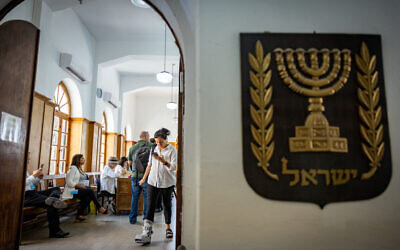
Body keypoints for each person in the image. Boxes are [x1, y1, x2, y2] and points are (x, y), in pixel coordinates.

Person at [135, 128, 177, 245]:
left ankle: (168, 227)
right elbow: (149, 165)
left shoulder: (172, 150)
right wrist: (143, 179)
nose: (158, 144)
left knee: (166, 205)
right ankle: (146, 232)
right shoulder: (154, 148)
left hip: (167, 182)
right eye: (157, 142)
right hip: (152, 182)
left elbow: (173, 167)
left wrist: (162, 160)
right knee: (150, 206)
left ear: (166, 139)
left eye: (161, 142)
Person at [24, 168, 70, 238]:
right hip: (25, 196)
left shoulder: (25, 169)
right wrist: (33, 175)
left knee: (56, 189)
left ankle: (52, 199)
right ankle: (55, 232)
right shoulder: (15, 168)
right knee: (52, 205)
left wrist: (39, 178)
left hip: (33, 193)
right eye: (27, 158)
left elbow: (31, 185)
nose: (28, 159)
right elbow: (22, 184)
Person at [62, 154, 106, 221]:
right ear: (77, 160)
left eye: (83, 158)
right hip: (72, 191)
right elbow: (69, 182)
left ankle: (79, 215)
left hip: (78, 190)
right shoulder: (73, 168)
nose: (84, 160)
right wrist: (81, 186)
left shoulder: (80, 169)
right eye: (82, 158)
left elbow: (82, 181)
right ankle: (99, 207)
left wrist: (85, 186)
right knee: (90, 191)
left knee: (88, 197)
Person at [128, 131, 153, 224]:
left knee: (135, 197)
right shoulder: (151, 146)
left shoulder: (132, 148)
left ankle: (132, 219)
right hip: (147, 176)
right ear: (146, 137)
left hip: (135, 176)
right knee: (147, 198)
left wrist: (134, 170)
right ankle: (146, 219)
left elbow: (129, 163)